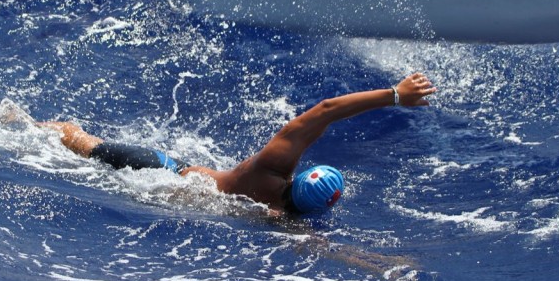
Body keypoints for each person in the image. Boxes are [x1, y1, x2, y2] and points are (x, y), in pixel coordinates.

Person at [41, 72, 437, 216]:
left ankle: (23, 123)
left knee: (76, 140)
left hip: (161, 172)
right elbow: (324, 250)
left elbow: (326, 110)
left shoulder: (270, 169)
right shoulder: (282, 220)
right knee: (76, 148)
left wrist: (395, 94)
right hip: (162, 191)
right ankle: (26, 125)